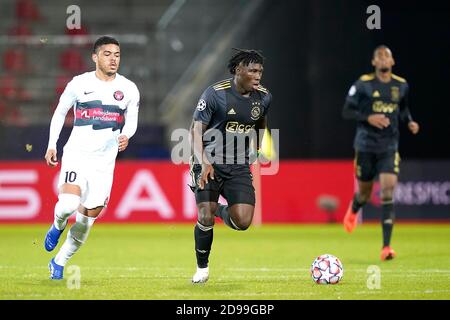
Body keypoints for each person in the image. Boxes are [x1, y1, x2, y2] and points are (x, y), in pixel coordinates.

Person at [43, 36, 140, 279]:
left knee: (87, 221)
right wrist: (51, 144)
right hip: (77, 155)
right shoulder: (79, 83)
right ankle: (57, 225)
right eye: (107, 54)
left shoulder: (129, 88)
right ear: (95, 57)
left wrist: (126, 135)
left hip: (104, 164)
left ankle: (59, 262)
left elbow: (132, 121)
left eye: (117, 54)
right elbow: (60, 112)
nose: (113, 59)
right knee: (67, 206)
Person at [189, 48, 272, 283]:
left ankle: (219, 210)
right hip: (209, 162)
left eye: (260, 71)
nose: (258, 76)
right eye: (253, 71)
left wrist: (256, 149)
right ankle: (202, 268)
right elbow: (195, 130)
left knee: (243, 222)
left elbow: (261, 122)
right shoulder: (215, 94)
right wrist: (203, 161)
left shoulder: (264, 96)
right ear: (238, 70)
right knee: (205, 216)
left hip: (238, 165)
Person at [342, 45, 419, 261]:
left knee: (387, 191)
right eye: (379, 56)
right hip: (365, 145)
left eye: (387, 55)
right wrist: (368, 118)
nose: (384, 59)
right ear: (374, 62)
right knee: (365, 193)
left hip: (389, 146)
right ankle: (355, 207)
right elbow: (346, 110)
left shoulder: (401, 85)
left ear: (392, 61)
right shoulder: (363, 84)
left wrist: (410, 122)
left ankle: (386, 247)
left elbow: (403, 109)